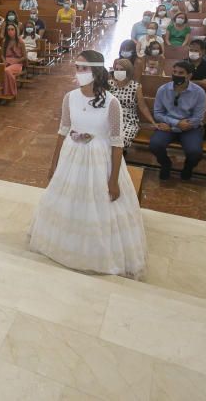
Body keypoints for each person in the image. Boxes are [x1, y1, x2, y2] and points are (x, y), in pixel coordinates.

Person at [29, 51, 147, 278]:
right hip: (72, 156)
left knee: (97, 206)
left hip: (99, 160)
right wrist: (54, 165)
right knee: (69, 201)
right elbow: (63, 132)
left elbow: (116, 143)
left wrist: (113, 180)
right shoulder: (70, 97)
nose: (78, 72)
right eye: (77, 67)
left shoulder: (111, 103)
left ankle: (95, 252)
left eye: (83, 68)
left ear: (96, 70)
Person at [149, 61, 206, 181]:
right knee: (155, 144)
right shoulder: (163, 89)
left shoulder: (199, 92)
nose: (176, 75)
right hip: (168, 126)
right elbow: (158, 113)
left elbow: (197, 119)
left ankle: (188, 167)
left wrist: (177, 126)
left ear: (189, 75)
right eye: (174, 72)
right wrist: (175, 125)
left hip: (189, 128)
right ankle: (165, 164)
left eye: (181, 73)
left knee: (195, 152)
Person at [109, 58, 153, 148]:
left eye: (121, 70)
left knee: (121, 139)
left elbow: (143, 106)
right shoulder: (110, 84)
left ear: (128, 71)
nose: (118, 71)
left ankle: (119, 157)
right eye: (116, 69)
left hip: (128, 119)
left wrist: (152, 121)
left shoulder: (135, 86)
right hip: (111, 117)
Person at [2, 23, 26, 96]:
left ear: (16, 30)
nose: (10, 31)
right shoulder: (5, 41)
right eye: (8, 30)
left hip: (17, 63)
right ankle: (2, 92)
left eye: (12, 29)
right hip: (6, 62)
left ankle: (11, 92)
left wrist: (15, 61)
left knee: (7, 71)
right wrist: (4, 61)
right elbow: (2, 55)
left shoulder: (20, 42)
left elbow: (25, 57)